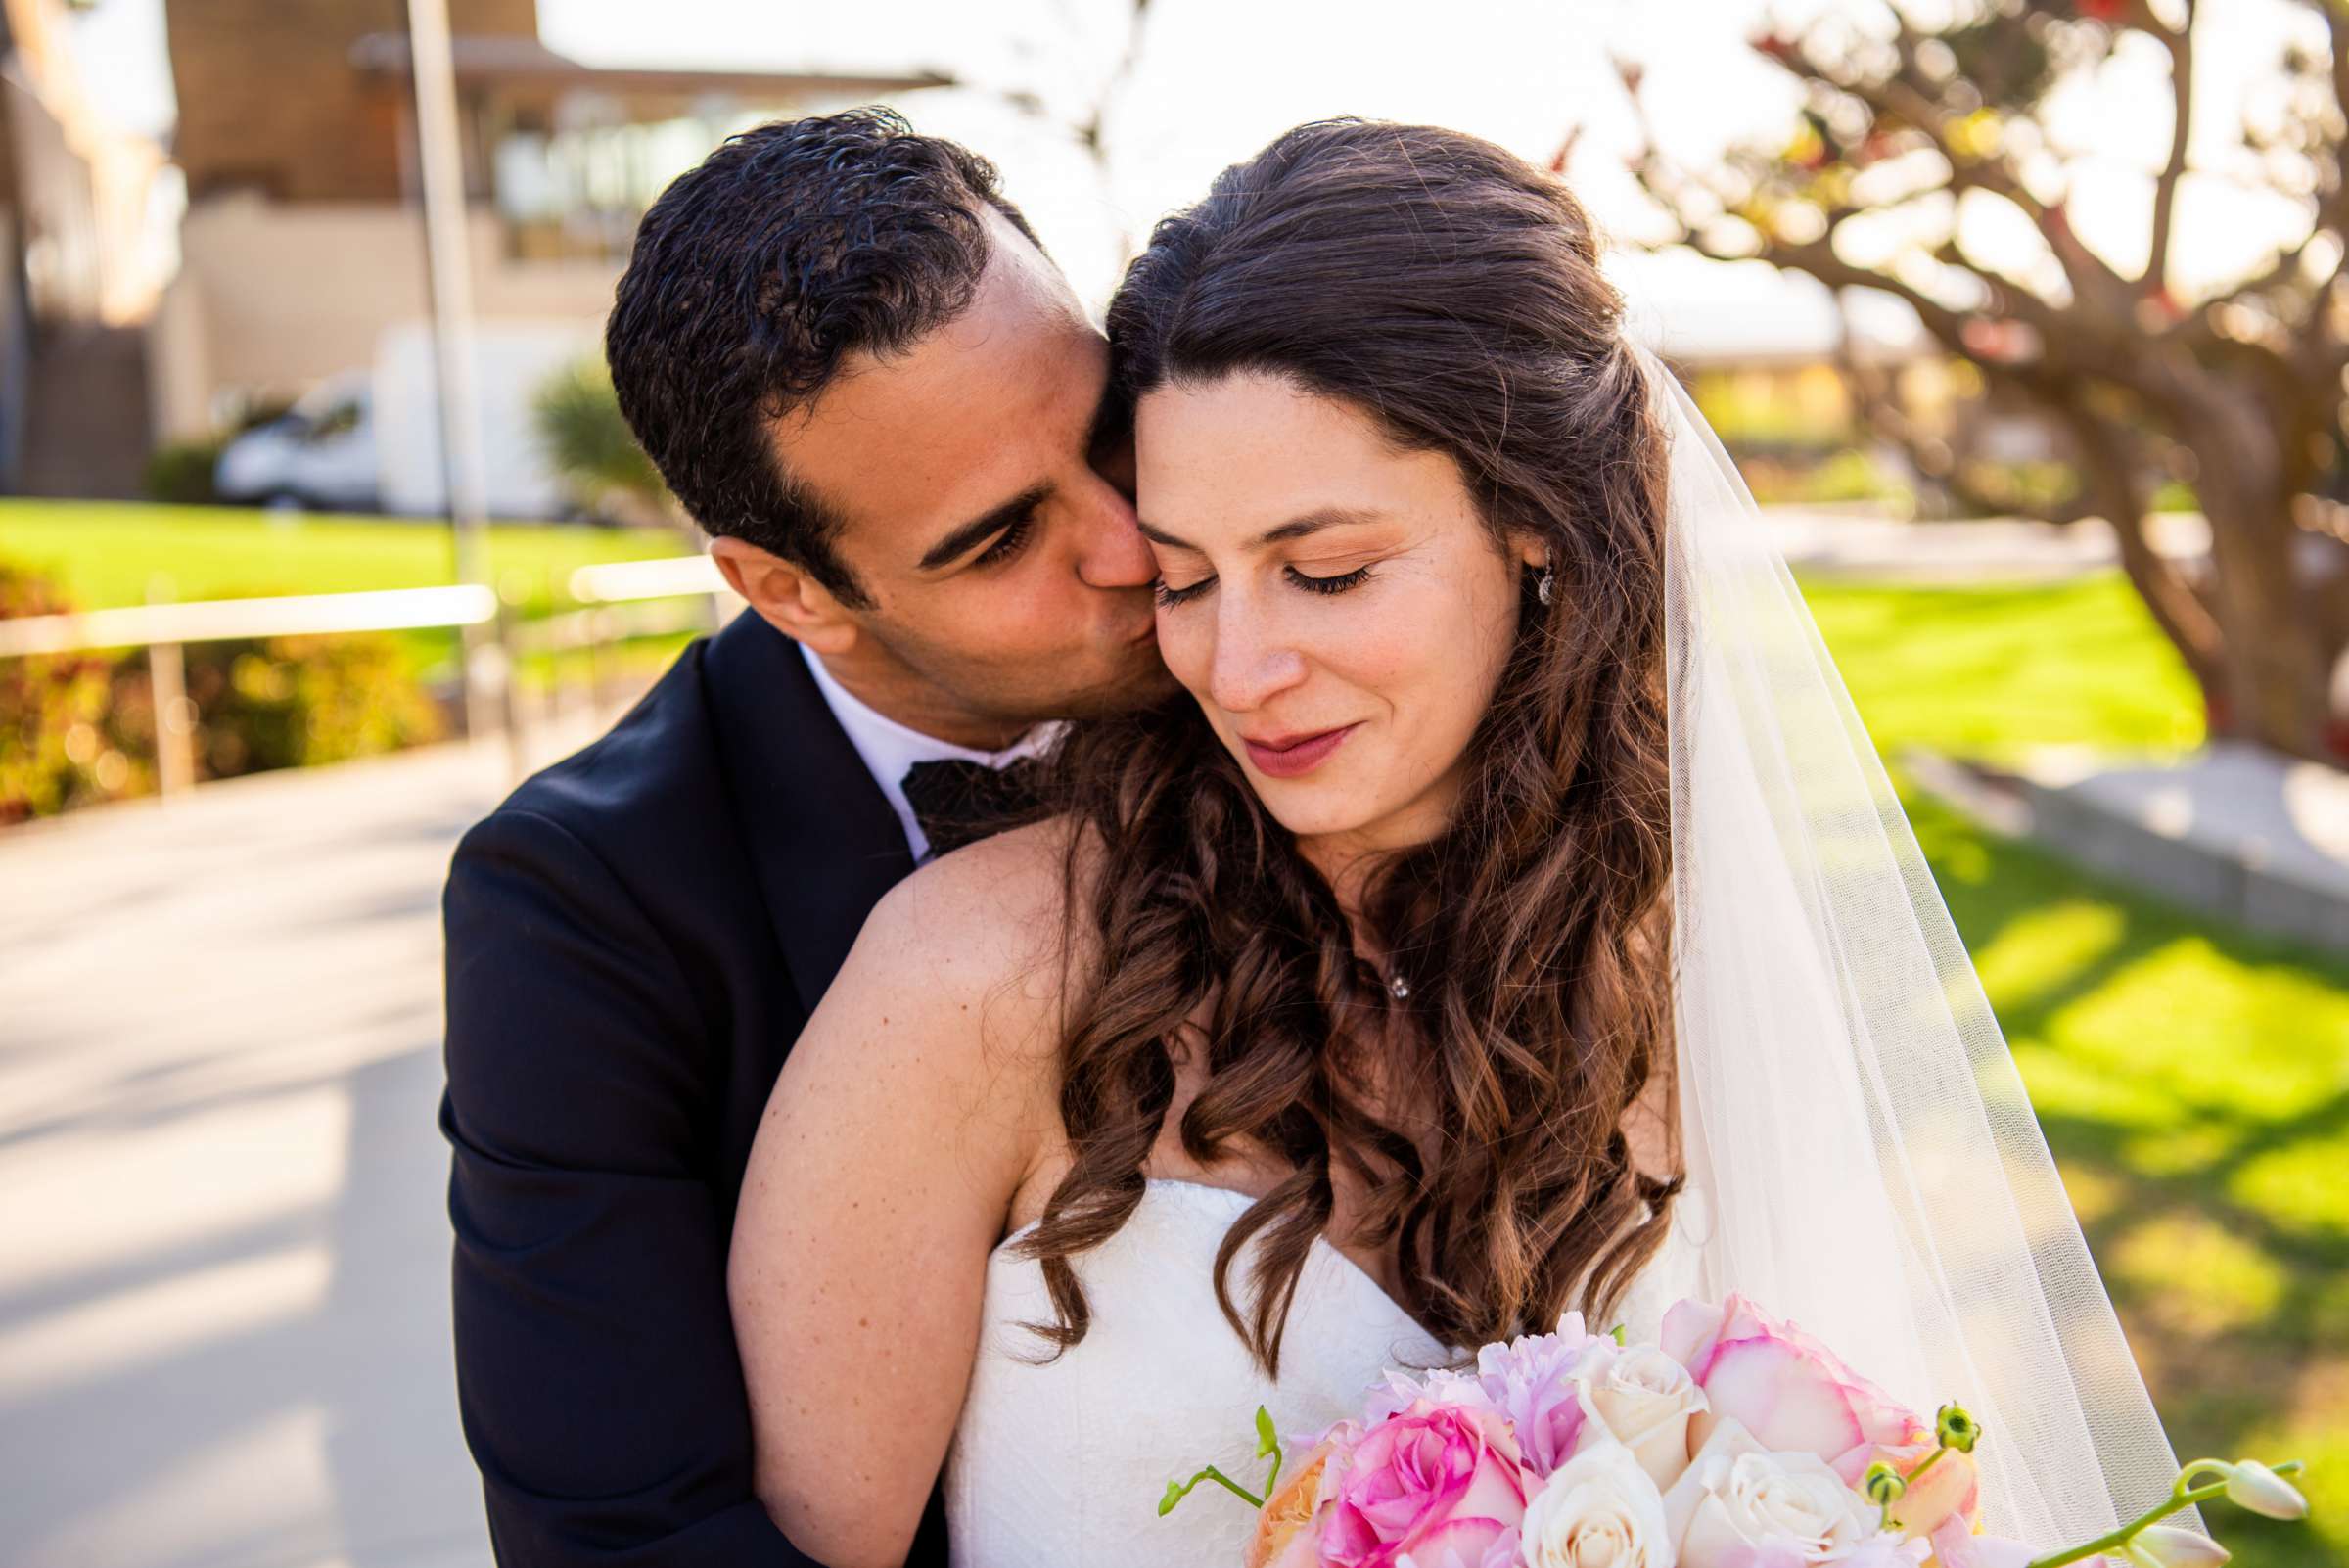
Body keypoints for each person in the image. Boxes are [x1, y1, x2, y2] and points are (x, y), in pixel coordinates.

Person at [727, 119, 2187, 1568]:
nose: (1237, 668)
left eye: (1326, 571)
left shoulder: (1693, 956)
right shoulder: (978, 978)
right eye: (1182, 578)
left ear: (1535, 531)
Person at [438, 109, 1170, 1568]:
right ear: (789, 591)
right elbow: (627, 1535)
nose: (1136, 547)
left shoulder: (1287, 672)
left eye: (1106, 435)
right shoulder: (582, 908)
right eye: (1001, 539)